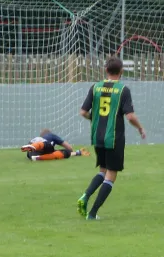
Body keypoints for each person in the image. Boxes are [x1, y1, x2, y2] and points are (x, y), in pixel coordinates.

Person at [77, 56, 146, 220]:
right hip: (114, 137)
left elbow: (83, 112)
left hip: (97, 136)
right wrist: (140, 128)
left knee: (103, 170)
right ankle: (92, 213)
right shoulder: (123, 90)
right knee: (111, 174)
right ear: (121, 71)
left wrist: (96, 119)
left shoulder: (95, 87)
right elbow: (130, 117)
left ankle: (86, 196)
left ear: (106, 70)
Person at [21, 129, 89, 161]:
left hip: (31, 153)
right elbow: (69, 148)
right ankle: (37, 151)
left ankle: (38, 156)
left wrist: (77, 153)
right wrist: (71, 150)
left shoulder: (38, 138)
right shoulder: (51, 136)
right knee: (48, 146)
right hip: (41, 145)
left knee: (57, 153)